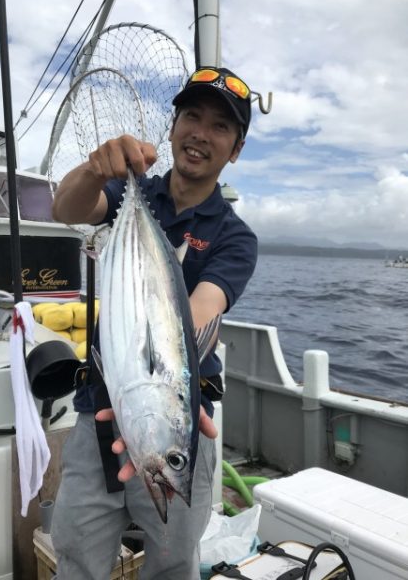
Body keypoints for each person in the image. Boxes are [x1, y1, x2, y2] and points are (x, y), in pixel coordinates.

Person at [51, 66, 258, 580]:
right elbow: (65, 206)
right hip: (96, 414)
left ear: (235, 150)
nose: (200, 134)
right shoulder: (128, 195)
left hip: (181, 423)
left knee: (173, 567)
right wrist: (96, 170)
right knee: (75, 560)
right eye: (191, 116)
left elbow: (198, 313)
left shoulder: (236, 238)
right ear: (172, 128)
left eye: (220, 127)